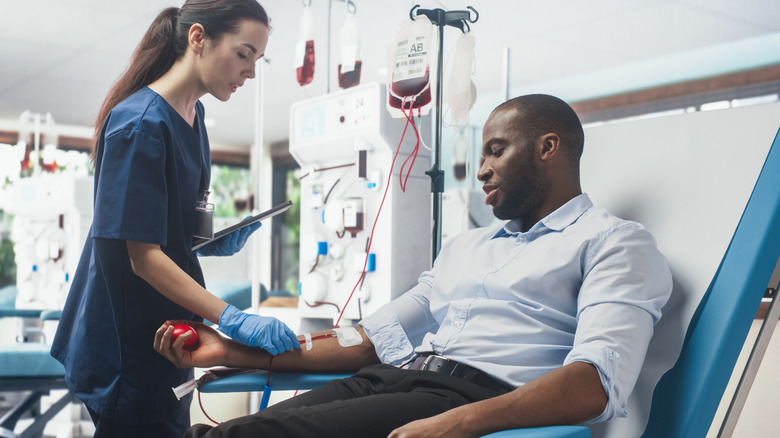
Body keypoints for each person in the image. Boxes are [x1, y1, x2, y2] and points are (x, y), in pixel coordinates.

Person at [155, 94, 673, 438]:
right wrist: (232, 350)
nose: (484, 169)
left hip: (471, 398)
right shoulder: (467, 248)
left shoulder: (614, 243)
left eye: (497, 150)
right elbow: (370, 340)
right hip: (391, 380)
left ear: (548, 148)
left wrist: (460, 423)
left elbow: (593, 384)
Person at [50, 2, 299, 437]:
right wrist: (232, 318)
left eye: (257, 60)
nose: (251, 73)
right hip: (128, 347)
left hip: (173, 336)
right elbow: (143, 257)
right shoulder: (139, 125)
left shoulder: (194, 115)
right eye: (244, 55)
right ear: (198, 38)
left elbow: (171, 222)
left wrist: (208, 238)